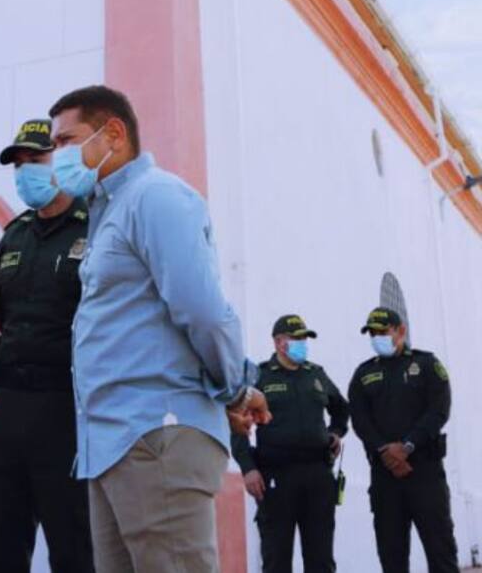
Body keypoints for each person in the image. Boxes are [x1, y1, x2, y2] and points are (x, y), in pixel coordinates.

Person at [48, 86, 269, 572]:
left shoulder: (156, 197)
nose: (57, 156)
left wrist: (235, 388)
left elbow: (204, 310)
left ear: (114, 133)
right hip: (111, 445)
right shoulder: (106, 214)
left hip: (156, 436)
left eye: (67, 141)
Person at [0, 119, 94, 573]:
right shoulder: (14, 235)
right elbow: (3, 310)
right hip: (8, 407)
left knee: (76, 543)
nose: (25, 173)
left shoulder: (94, 224)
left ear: (61, 160)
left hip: (68, 409)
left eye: (34, 161)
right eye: (18, 165)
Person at [232, 315, 348, 573]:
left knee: (321, 560)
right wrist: (248, 468)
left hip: (317, 476)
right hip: (276, 479)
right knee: (276, 559)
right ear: (278, 342)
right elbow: (237, 425)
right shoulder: (259, 377)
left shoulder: (316, 375)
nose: (302, 343)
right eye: (296, 338)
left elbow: (341, 408)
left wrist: (336, 432)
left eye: (304, 338)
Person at [348, 307, 458, 572]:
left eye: (383, 332)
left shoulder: (426, 364)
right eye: (372, 333)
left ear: (401, 331)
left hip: (425, 472)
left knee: (440, 549)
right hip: (385, 476)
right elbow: (360, 420)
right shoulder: (363, 374)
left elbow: (439, 410)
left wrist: (408, 445)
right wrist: (385, 450)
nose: (377, 337)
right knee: (391, 553)